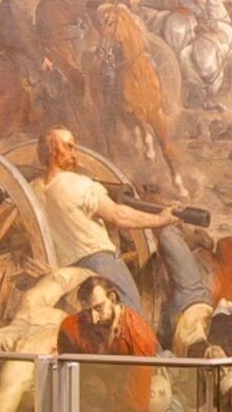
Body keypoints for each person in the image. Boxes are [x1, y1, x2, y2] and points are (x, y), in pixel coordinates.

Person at [31, 125, 175, 315]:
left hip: (67, 275)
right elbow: (117, 215)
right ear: (51, 151)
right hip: (100, 264)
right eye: (68, 147)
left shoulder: (33, 190)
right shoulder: (78, 184)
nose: (75, 152)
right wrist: (160, 219)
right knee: (133, 319)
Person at [55, 272, 190, 412]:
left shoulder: (138, 334)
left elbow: (137, 401)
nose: (93, 319)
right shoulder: (74, 326)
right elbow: (68, 364)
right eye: (87, 311)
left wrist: (103, 393)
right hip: (115, 411)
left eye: (98, 308)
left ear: (112, 299)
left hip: (151, 398)